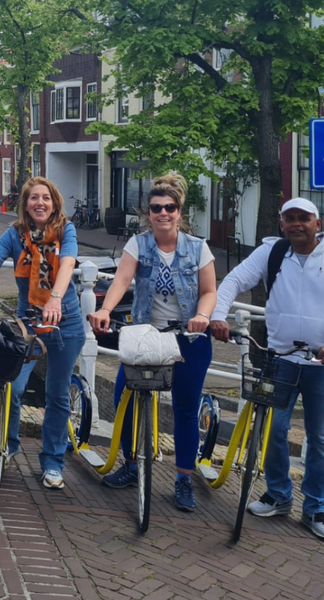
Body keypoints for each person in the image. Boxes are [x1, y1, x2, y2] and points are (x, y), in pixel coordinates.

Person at [210, 198, 324, 542]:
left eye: (304, 219)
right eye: (290, 219)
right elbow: (233, 281)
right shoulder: (272, 253)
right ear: (281, 223)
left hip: (323, 365)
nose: (297, 224)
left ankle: (315, 508)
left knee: (321, 439)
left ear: (318, 224)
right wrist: (217, 316)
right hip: (279, 359)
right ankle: (279, 495)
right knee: (273, 430)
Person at [88, 173, 216, 512]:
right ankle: (131, 465)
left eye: (169, 207)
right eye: (156, 208)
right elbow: (122, 280)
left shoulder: (198, 248)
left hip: (188, 338)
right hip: (146, 336)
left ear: (179, 211)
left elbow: (209, 291)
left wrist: (202, 315)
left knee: (186, 409)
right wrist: (104, 309)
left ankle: (183, 479)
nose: (163, 213)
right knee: (124, 398)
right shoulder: (138, 245)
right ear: (148, 212)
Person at [0, 177, 85, 488]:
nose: (40, 203)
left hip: (66, 321)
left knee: (57, 393)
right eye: (33, 198)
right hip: (28, 324)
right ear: (24, 204)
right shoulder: (15, 235)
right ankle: (7, 445)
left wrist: (56, 298)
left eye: (45, 198)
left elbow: (66, 265)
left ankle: (52, 463)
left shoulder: (66, 230)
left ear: (54, 202)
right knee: (12, 386)